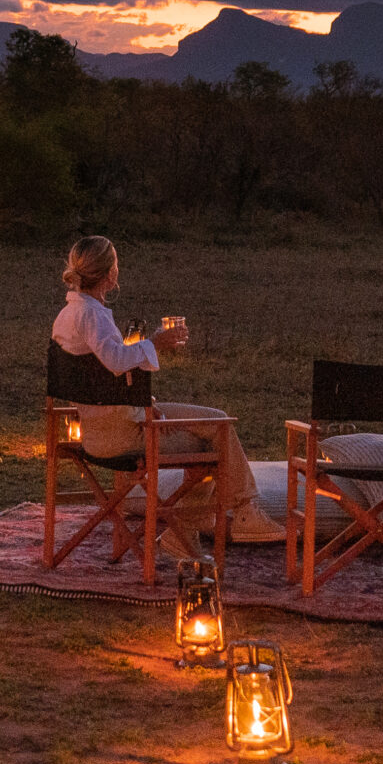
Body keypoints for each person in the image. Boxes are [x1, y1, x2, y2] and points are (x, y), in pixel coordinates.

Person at [51, 235, 282, 557]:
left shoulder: (68, 314)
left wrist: (149, 401)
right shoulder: (93, 315)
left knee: (215, 419)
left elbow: (103, 375)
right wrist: (155, 344)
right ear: (111, 274)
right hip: (124, 435)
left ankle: (191, 527)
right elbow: (116, 362)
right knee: (215, 437)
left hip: (105, 426)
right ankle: (240, 513)